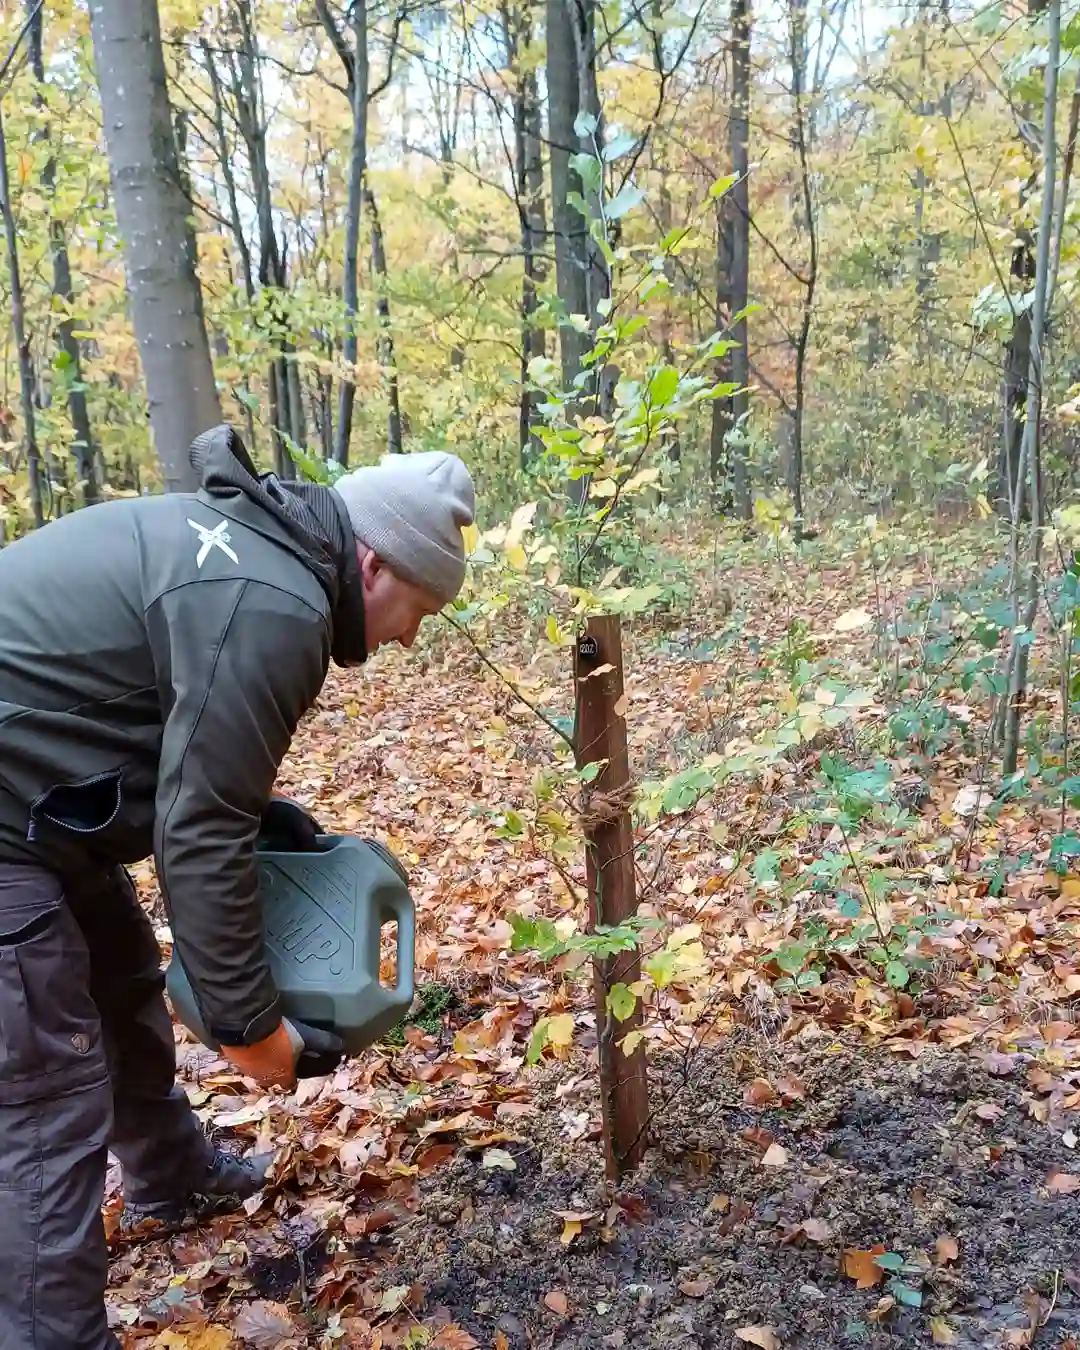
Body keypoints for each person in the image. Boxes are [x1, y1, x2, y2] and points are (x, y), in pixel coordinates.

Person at [0, 424, 475, 1349]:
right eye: (417, 610)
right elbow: (199, 833)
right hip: (11, 819)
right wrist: (252, 1031)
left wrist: (264, 818)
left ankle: (172, 1176)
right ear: (373, 565)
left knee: (118, 970)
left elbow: (182, 762)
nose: (410, 638)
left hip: (39, 805)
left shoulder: (257, 557)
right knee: (48, 1082)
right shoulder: (277, 605)